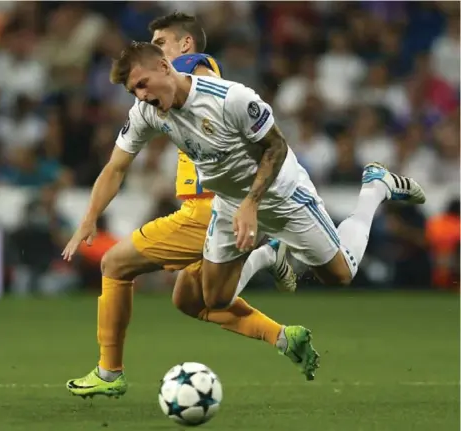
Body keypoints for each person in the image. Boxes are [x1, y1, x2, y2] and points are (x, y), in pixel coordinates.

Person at [88, 40, 425, 389]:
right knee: (216, 299)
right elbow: (116, 166)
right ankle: (269, 253)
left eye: (142, 84)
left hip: (284, 196)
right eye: (132, 90)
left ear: (163, 66)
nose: (140, 95)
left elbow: (277, 146)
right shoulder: (148, 112)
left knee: (340, 274)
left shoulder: (232, 99)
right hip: (232, 203)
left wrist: (251, 203)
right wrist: (89, 218)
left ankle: (374, 188)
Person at [64, 14, 309, 399]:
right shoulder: (157, 101)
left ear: (184, 46)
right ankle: (283, 337)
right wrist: (89, 216)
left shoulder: (193, 69)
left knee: (114, 264)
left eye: (161, 42)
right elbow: (116, 166)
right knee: (190, 301)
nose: (154, 50)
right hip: (211, 210)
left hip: (207, 210)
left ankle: (109, 372)